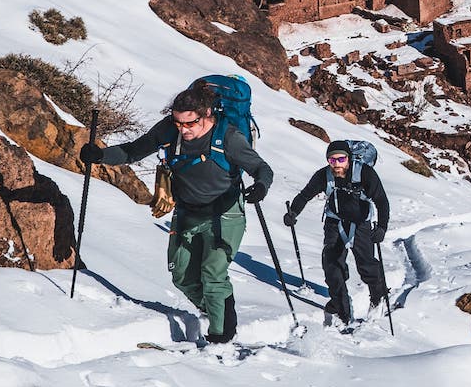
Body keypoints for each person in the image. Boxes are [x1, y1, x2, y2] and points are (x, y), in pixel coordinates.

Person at [82, 79, 272, 344]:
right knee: (182, 276)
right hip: (186, 212)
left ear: (206, 114)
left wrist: (260, 187)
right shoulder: (170, 130)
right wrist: (100, 155)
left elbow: (262, 168)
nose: (183, 129)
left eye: (189, 123)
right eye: (178, 123)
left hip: (224, 214)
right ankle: (215, 309)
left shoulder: (228, 137)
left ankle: (222, 337)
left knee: (213, 274)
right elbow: (133, 151)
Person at [284, 140, 389, 326]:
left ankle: (378, 296)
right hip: (335, 222)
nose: (337, 164)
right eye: (332, 160)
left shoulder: (365, 173)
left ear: (349, 158)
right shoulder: (324, 175)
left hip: (360, 223)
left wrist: (381, 227)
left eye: (341, 159)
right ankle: (342, 310)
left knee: (366, 265)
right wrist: (293, 212)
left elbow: (381, 201)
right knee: (332, 265)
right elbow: (305, 195)